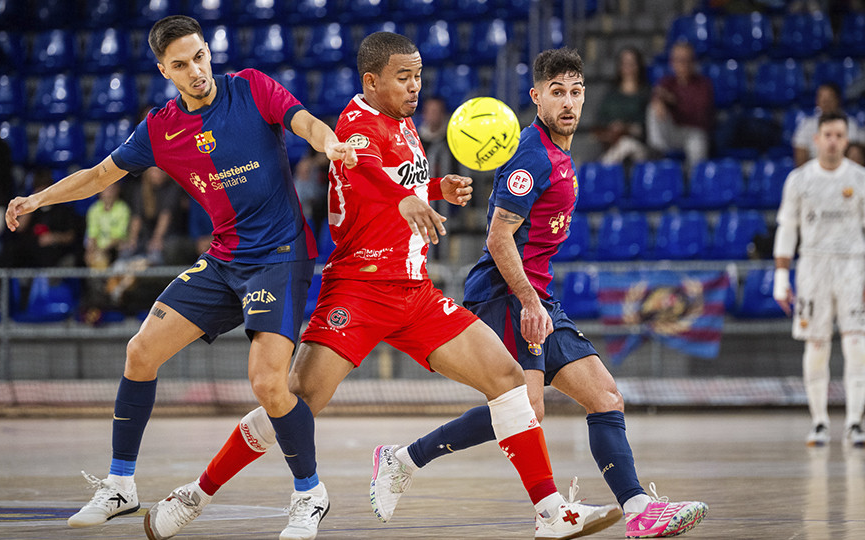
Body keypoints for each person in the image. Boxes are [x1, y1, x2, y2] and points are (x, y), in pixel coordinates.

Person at [145, 32, 622, 540]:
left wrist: (435, 189)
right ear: (371, 82)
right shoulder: (354, 124)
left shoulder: (404, 122)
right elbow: (363, 167)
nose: (415, 87)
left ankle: (551, 514)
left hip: (414, 293)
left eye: (418, 76)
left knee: (509, 383)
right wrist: (404, 199)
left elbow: (396, 178)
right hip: (357, 290)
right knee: (294, 400)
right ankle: (197, 493)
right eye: (403, 77)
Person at [3, 15, 357, 536]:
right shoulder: (161, 128)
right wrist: (38, 198)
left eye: (200, 56)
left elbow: (304, 121)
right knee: (140, 352)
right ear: (163, 70)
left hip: (279, 255)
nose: (196, 71)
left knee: (266, 382)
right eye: (181, 64)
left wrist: (327, 143)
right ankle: (121, 485)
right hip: (223, 260)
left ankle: (310, 492)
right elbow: (101, 175)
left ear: (208, 52)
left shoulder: (251, 89)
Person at [367, 47, 709, 539]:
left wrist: (537, 301)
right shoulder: (531, 153)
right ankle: (407, 461)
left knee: (606, 397)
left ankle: (638, 511)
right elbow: (498, 237)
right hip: (505, 294)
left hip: (537, 296)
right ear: (536, 97)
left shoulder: (560, 153)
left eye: (575, 92)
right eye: (557, 93)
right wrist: (528, 302)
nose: (568, 103)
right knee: (525, 409)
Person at [773, 111, 865, 448]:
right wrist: (781, 277)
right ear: (816, 138)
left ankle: (855, 423)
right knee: (816, 345)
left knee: (857, 345)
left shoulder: (860, 178)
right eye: (827, 134)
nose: (832, 141)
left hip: (854, 266)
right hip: (813, 266)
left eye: (839, 135)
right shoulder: (799, 180)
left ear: (847, 140)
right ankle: (820, 422)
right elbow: (788, 229)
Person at [646, 41, 713, 168]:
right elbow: (657, 94)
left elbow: (699, 114)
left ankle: (695, 180)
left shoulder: (703, 85)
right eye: (679, 60)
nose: (683, 64)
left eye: (687, 60)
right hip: (673, 132)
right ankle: (657, 154)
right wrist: (658, 101)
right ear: (672, 62)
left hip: (694, 132)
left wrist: (675, 101)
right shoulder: (667, 82)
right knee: (653, 108)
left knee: (697, 144)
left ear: (693, 62)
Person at [594, 47, 650, 165]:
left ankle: (602, 168)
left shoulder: (646, 93)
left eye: (632, 63)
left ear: (639, 65)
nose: (628, 67)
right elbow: (600, 120)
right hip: (612, 143)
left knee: (626, 144)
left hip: (639, 146)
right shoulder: (611, 94)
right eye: (625, 63)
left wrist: (626, 128)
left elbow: (647, 127)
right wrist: (612, 128)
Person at [792, 82, 865, 167]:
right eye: (821, 97)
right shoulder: (807, 125)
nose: (825, 101)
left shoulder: (850, 124)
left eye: (830, 97)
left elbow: (856, 154)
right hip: (816, 173)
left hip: (845, 171)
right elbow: (800, 158)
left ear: (838, 99)